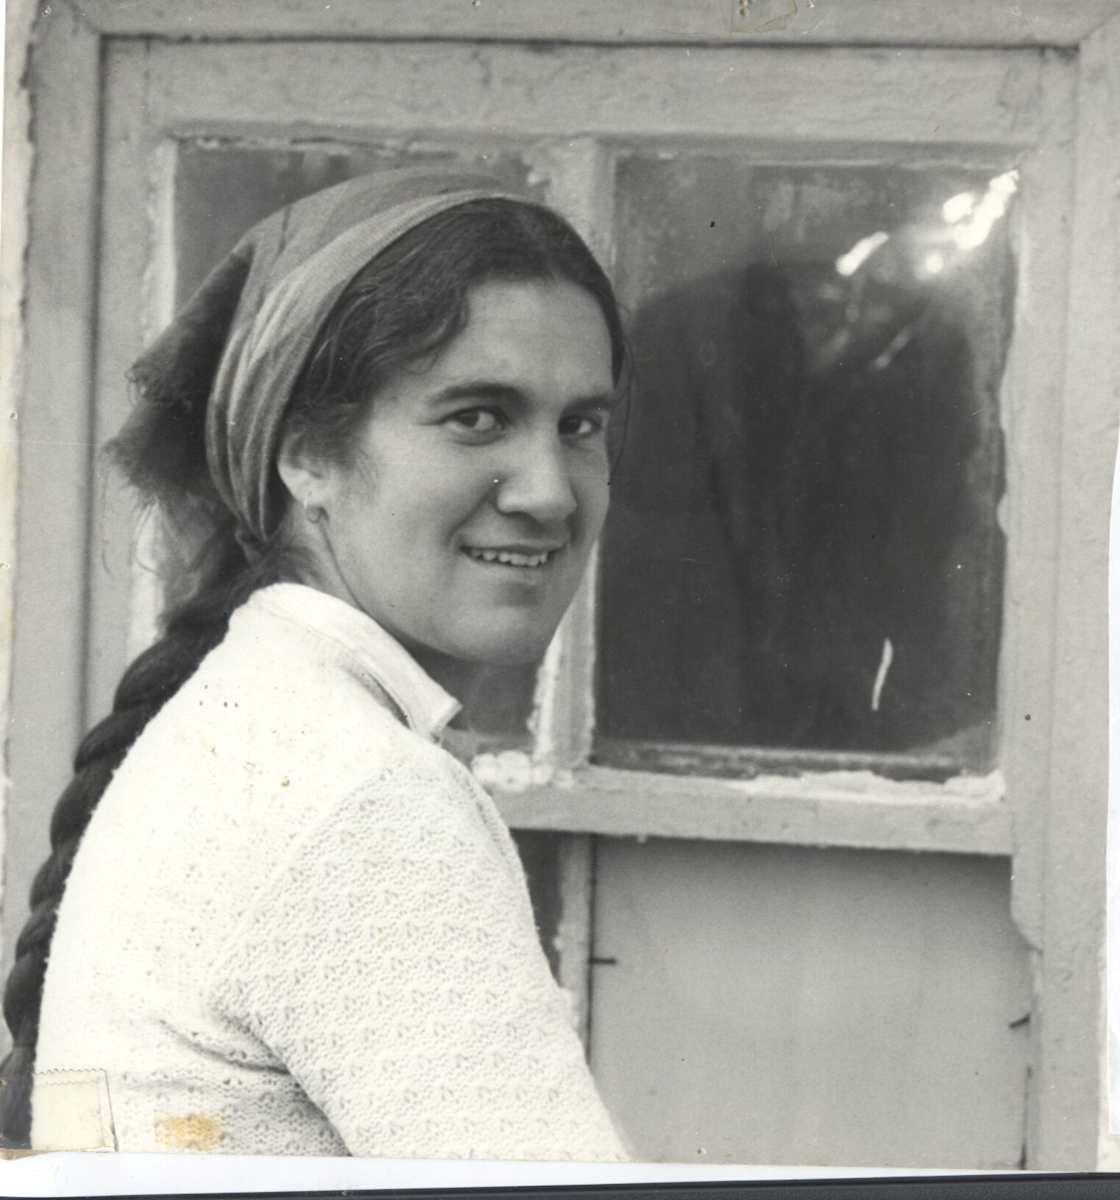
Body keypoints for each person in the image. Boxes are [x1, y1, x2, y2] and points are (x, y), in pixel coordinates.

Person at [0, 167, 629, 1160]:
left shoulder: (259, 716)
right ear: (309, 456)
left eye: (580, 425)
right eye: (475, 416)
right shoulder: (361, 792)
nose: (550, 491)